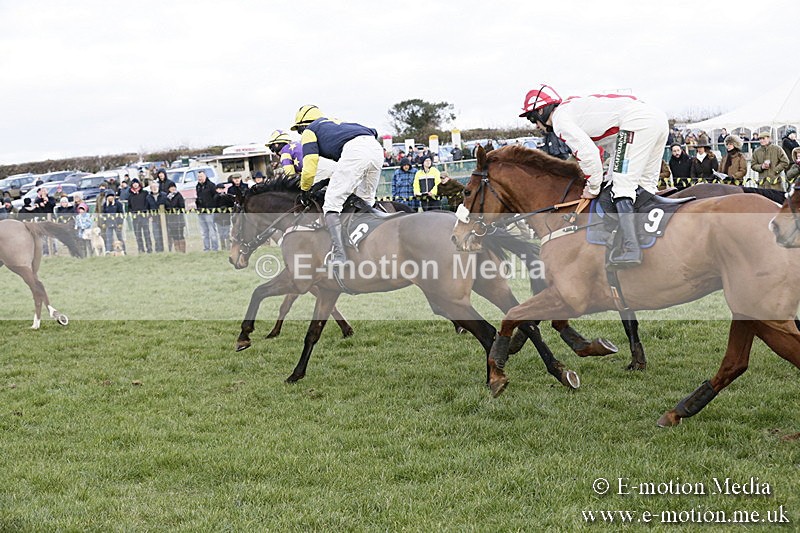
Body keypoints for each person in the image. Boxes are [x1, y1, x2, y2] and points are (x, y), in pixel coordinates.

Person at [518, 84, 668, 267]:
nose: (535, 125)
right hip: (655, 119)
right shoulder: (571, 109)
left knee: (622, 188)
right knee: (645, 185)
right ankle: (649, 242)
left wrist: (593, 187)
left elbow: (588, 154)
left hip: (637, 123)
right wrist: (607, 176)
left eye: (533, 118)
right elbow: (613, 145)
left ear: (541, 111)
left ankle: (632, 249)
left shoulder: (560, 121)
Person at [292, 104, 383, 267]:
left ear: (303, 124)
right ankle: (371, 241)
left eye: (299, 130)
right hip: (375, 148)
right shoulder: (336, 122)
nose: (300, 134)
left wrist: (304, 189)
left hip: (355, 151)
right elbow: (373, 131)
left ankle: (340, 255)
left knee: (331, 205)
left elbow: (310, 164)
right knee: (365, 201)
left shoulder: (310, 131)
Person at [126, 178, 152, 254]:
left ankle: (149, 248)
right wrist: (132, 212)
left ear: (139, 184)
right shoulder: (130, 195)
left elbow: (148, 203)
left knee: (146, 233)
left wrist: (148, 212)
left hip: (144, 216)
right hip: (135, 217)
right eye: (133, 183)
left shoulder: (145, 193)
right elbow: (129, 206)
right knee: (138, 234)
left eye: (136, 183)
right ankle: (141, 249)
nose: (135, 184)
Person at [195, 170, 219, 251]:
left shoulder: (211, 185)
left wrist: (211, 206)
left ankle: (215, 248)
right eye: (198, 177)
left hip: (209, 212)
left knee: (212, 231)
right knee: (204, 232)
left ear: (205, 176)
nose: (199, 178)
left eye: (201, 176)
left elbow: (215, 197)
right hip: (201, 212)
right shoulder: (197, 186)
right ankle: (206, 248)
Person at [101, 189, 126, 254]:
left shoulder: (118, 204)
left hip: (117, 223)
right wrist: (103, 223)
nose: (110, 198)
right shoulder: (105, 205)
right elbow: (103, 214)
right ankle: (109, 251)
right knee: (109, 238)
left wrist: (120, 223)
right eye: (108, 196)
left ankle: (123, 250)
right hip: (108, 224)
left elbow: (121, 214)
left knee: (120, 237)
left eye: (111, 196)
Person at [165, 182, 187, 253]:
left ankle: (183, 250)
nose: (173, 188)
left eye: (174, 187)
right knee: (174, 236)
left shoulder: (179, 195)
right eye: (171, 187)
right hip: (171, 220)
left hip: (179, 219)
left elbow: (182, 206)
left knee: (180, 235)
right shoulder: (167, 197)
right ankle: (177, 250)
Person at [146, 181, 167, 252]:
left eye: (156, 187)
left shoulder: (164, 195)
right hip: (154, 219)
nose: (154, 188)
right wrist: (149, 216)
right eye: (152, 187)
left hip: (164, 219)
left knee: (165, 235)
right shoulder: (148, 197)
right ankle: (158, 250)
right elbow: (147, 208)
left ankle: (166, 249)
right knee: (156, 235)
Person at [213, 182, 234, 250]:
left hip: (226, 217)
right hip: (218, 218)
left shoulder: (227, 196)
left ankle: (228, 247)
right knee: (221, 233)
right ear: (216, 189)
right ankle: (223, 247)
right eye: (220, 189)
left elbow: (231, 204)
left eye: (222, 189)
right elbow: (214, 203)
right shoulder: (215, 197)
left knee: (227, 233)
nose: (221, 190)